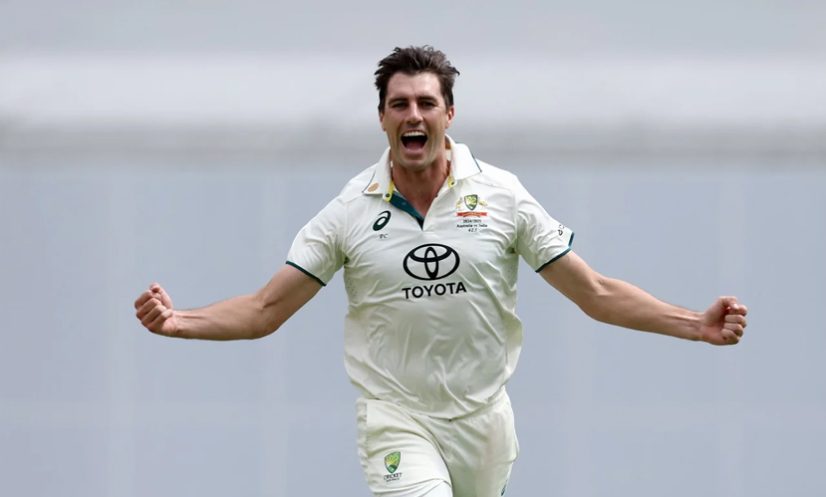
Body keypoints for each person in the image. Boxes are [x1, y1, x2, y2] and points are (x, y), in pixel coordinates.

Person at [134, 46, 748, 497]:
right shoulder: (349, 212)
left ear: (449, 114)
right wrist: (180, 321)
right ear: (382, 119)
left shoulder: (502, 196)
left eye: (426, 103)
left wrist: (693, 323)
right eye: (399, 104)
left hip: (484, 420)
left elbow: (595, 292)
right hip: (396, 417)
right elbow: (265, 309)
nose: (414, 115)